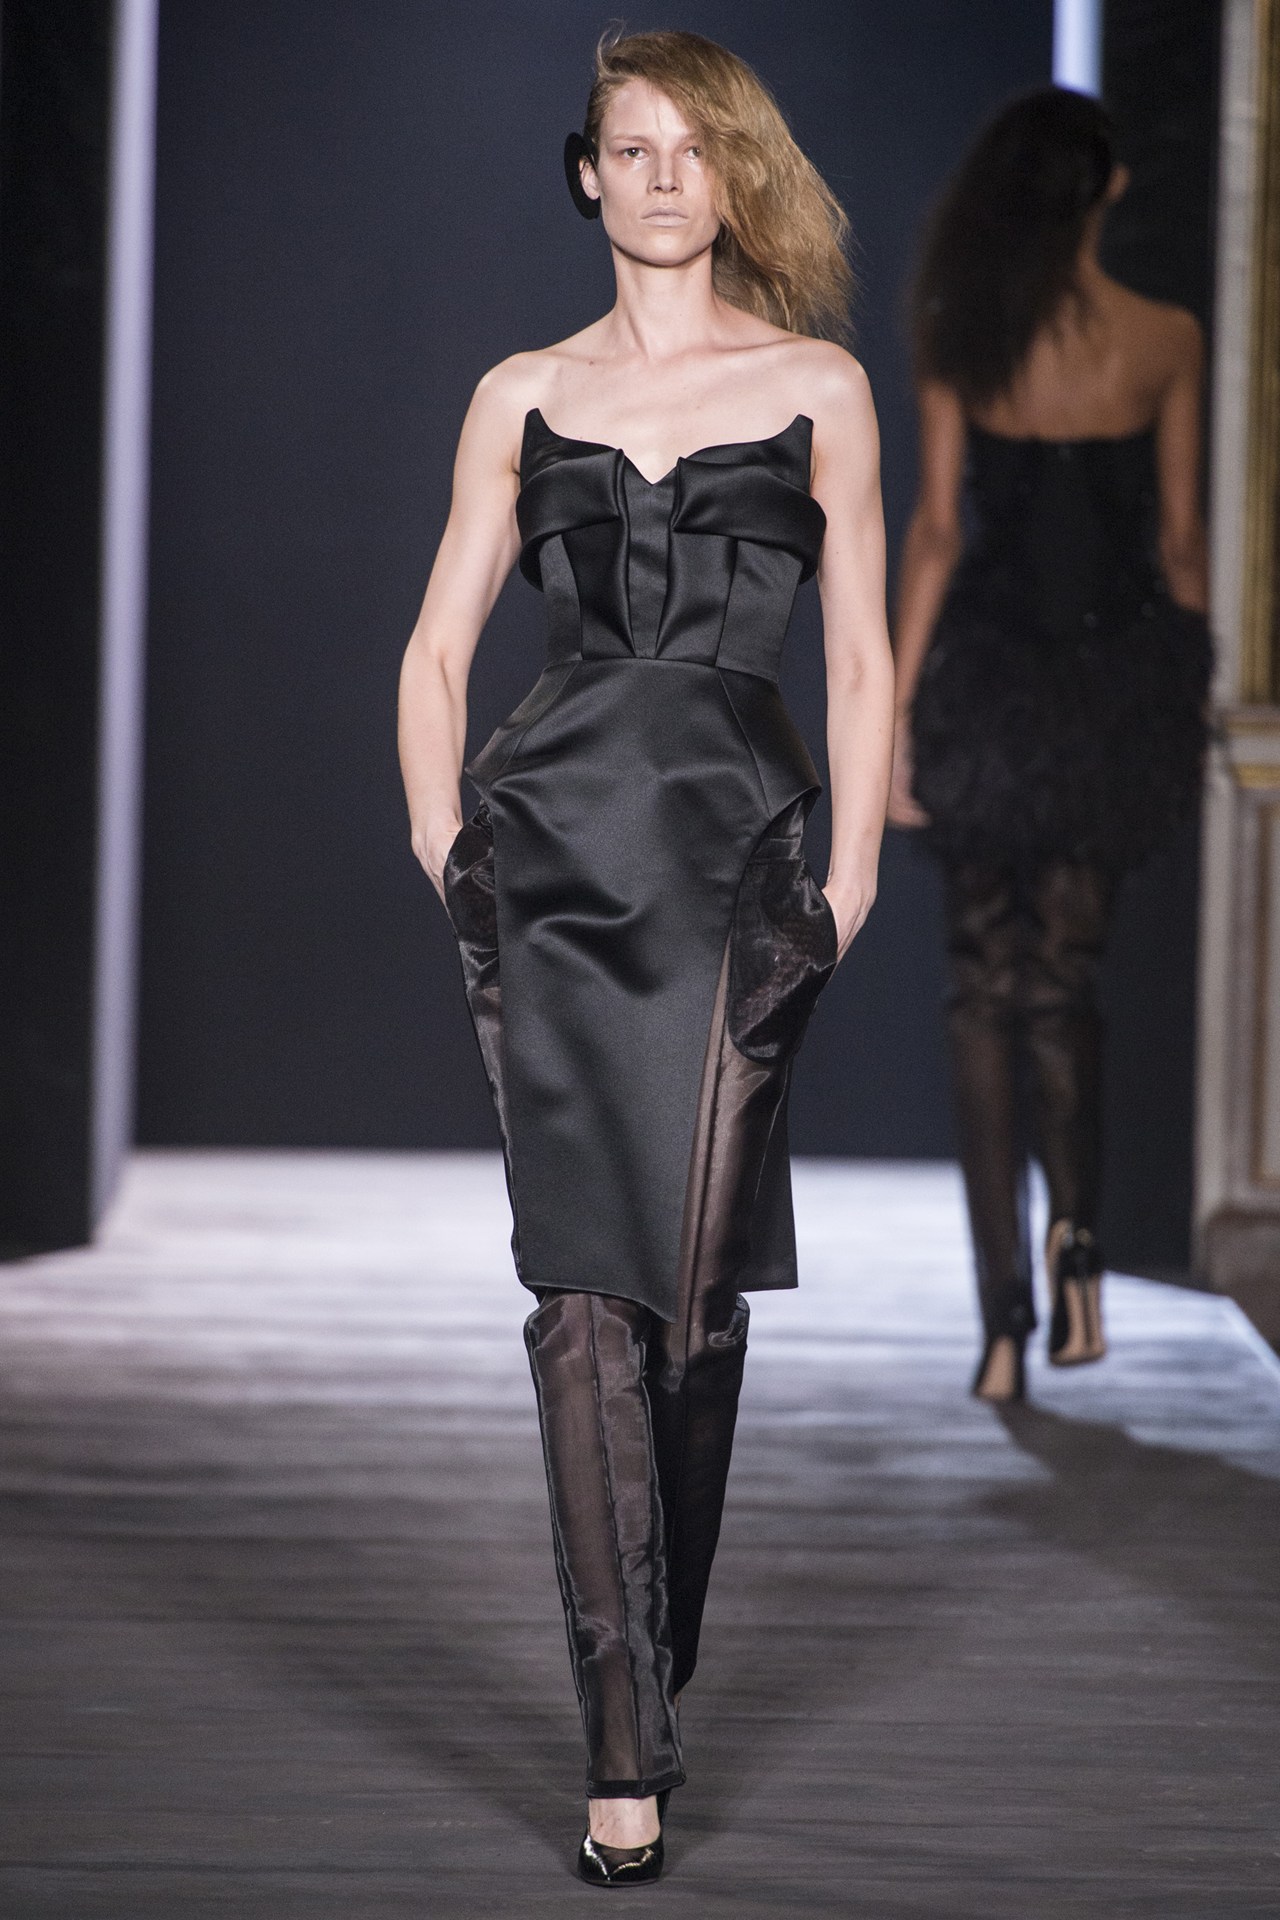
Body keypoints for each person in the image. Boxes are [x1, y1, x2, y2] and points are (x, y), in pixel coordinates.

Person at [397, 29, 893, 1887]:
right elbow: (436, 643)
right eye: (633, 145)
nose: (666, 175)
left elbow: (862, 656)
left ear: (733, 172)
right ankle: (623, 1746)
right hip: (552, 869)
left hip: (742, 865)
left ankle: (648, 1655)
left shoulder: (821, 387)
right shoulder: (519, 394)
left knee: (691, 1306)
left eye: (696, 146)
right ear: (587, 174)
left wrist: (851, 882)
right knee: (583, 1296)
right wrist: (442, 834)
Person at [889, 89, 1212, 1406]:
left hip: (984, 679)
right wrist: (1185, 698)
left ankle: (1002, 1328)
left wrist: (893, 714)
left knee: (982, 988)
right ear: (1110, 188)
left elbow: (938, 533)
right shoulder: (1165, 339)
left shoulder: (963, 330)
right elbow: (1180, 544)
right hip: (1109, 686)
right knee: (1064, 978)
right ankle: (1077, 1239)